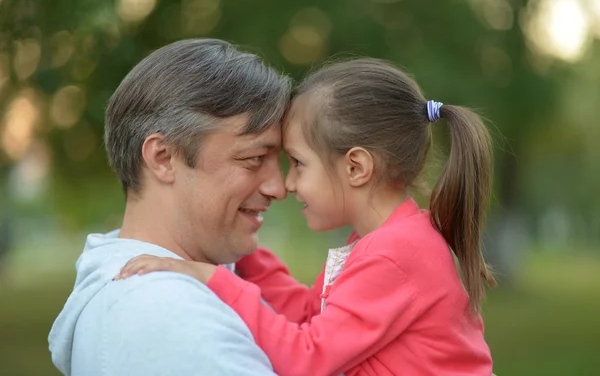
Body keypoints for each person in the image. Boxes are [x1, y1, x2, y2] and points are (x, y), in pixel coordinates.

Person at [119, 58, 497, 376]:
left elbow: (306, 357)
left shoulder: (395, 255)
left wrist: (213, 277)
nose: (288, 183)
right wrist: (237, 249)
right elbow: (308, 313)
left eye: (298, 163)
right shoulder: (384, 242)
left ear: (356, 167)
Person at [48, 38, 292, 376]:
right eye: (253, 158)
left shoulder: (165, 293)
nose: (279, 187)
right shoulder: (166, 314)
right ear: (163, 158)